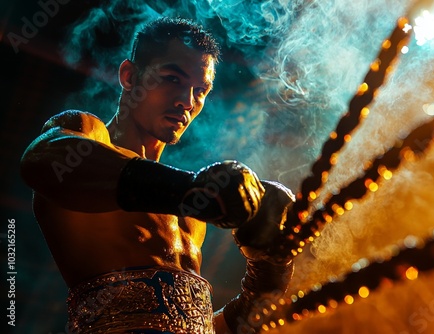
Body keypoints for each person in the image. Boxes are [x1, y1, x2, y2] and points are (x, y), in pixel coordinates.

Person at [20, 17, 294, 334]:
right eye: (172, 79)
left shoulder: (193, 218)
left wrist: (267, 280)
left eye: (201, 90)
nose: (187, 102)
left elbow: (195, 328)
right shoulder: (88, 135)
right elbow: (42, 160)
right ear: (129, 75)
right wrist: (189, 190)